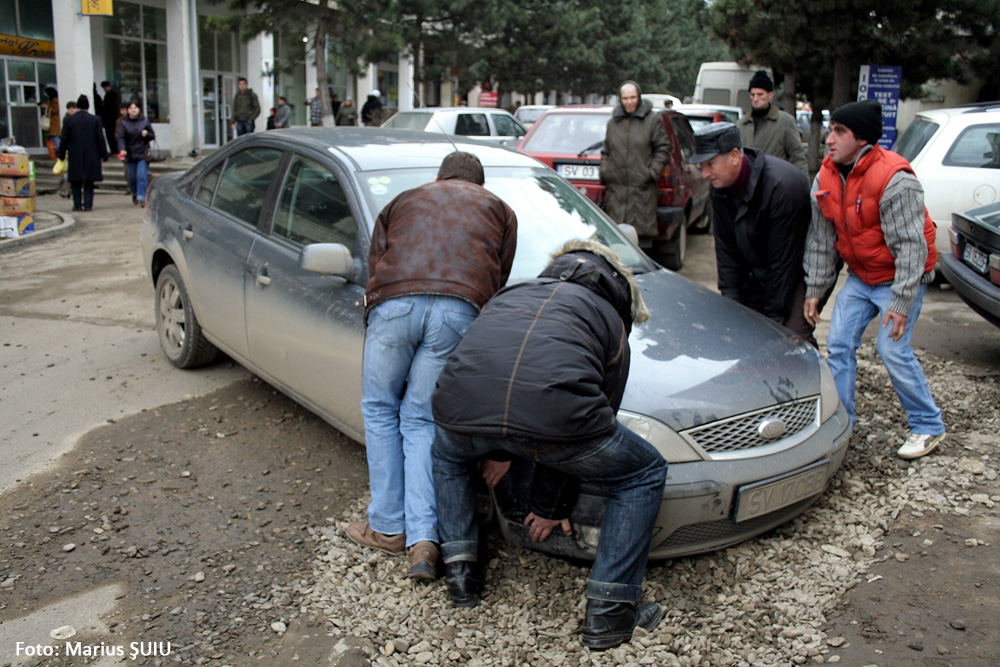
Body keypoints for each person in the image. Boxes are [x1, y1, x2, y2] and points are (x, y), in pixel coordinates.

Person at [431, 240, 666, 650]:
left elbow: (495, 367)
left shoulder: (512, 293)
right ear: (620, 291)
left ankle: (460, 576)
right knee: (644, 472)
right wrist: (548, 505)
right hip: (551, 422)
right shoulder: (610, 320)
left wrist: (499, 447)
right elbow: (585, 426)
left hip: (459, 412)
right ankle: (610, 613)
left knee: (448, 457)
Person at [347, 152, 517, 580]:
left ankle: (387, 525)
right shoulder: (500, 210)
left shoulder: (405, 199)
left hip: (395, 303)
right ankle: (424, 539)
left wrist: (377, 308)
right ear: (480, 184)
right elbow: (498, 278)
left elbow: (377, 260)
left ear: (438, 178)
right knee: (422, 418)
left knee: (380, 408)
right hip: (459, 312)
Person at [803, 99, 945, 460]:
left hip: (898, 278)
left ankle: (928, 425)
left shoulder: (895, 179)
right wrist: (816, 290)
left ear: (862, 139)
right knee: (838, 344)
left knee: (892, 349)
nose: (829, 139)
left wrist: (901, 303)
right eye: (830, 130)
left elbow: (912, 248)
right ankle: (842, 424)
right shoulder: (825, 177)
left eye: (839, 131)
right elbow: (822, 241)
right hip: (861, 277)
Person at [688, 122, 818, 346]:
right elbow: (726, 251)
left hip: (798, 277)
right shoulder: (720, 187)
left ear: (735, 155)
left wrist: (773, 323)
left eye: (711, 164)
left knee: (789, 341)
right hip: (758, 275)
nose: (706, 174)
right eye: (702, 167)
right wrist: (731, 308)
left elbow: (783, 263)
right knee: (735, 336)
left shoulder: (781, 187)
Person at [601, 80, 670, 246]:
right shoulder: (613, 123)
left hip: (642, 193)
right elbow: (606, 150)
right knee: (615, 243)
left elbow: (663, 148)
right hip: (616, 194)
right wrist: (605, 171)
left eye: (632, 97)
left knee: (641, 244)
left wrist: (651, 172)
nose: (629, 102)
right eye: (625, 98)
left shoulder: (652, 121)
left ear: (639, 97)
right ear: (620, 99)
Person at [736, 70, 808, 176]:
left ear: (770, 95)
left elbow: (797, 156)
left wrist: (802, 184)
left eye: (760, 94)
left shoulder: (785, 122)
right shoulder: (741, 125)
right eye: (752, 94)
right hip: (748, 185)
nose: (756, 98)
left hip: (776, 183)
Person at [59, 95, 109, 212]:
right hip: (92, 154)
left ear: (77, 106)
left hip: (75, 154)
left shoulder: (69, 120)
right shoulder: (95, 120)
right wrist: (104, 155)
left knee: (75, 181)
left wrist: (61, 155)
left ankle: (77, 205)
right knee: (89, 181)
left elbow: (64, 139)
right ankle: (88, 204)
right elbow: (100, 139)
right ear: (88, 106)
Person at [117, 100, 155, 207]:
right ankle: (134, 193)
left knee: (142, 176)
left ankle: (143, 198)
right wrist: (122, 149)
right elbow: (121, 138)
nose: (133, 110)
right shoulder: (124, 123)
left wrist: (147, 134)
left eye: (135, 108)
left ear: (139, 109)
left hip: (142, 153)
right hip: (130, 154)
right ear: (127, 111)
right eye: (131, 108)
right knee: (132, 177)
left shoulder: (144, 121)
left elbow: (152, 135)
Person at [99, 81, 121, 154]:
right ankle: (114, 151)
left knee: (112, 135)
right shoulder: (111, 94)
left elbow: (113, 107)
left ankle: (115, 151)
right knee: (110, 135)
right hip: (110, 119)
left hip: (111, 119)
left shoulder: (112, 95)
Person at [44, 87, 61, 153]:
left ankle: (58, 150)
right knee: (53, 136)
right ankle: (55, 151)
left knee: (54, 136)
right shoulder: (52, 100)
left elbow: (55, 110)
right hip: (52, 121)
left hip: (54, 121)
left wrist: (47, 107)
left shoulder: (55, 101)